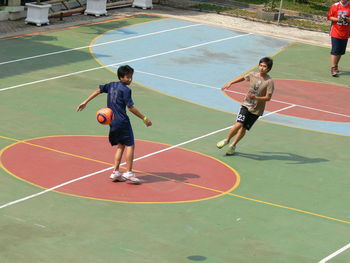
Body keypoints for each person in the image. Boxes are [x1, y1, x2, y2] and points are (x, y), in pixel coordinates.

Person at [76, 65, 152, 184]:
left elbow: (98, 90)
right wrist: (144, 118)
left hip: (112, 122)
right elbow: (130, 107)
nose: (130, 79)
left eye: (131, 77)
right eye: (128, 77)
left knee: (121, 145)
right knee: (130, 145)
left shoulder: (111, 85)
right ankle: (129, 173)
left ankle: (116, 172)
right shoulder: (126, 90)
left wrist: (85, 102)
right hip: (122, 121)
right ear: (121, 77)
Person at [216, 57, 274, 155]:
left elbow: (268, 98)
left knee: (243, 129)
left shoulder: (269, 82)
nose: (262, 68)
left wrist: (255, 98)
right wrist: (231, 82)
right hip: (246, 104)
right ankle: (227, 140)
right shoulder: (253, 74)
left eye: (264, 66)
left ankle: (233, 145)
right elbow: (243, 77)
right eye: (260, 65)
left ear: (268, 69)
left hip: (257, 110)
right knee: (239, 123)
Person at [327, 0, 350, 77]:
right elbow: (329, 17)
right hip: (335, 32)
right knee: (335, 50)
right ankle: (333, 67)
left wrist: (347, 19)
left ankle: (336, 65)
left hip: (345, 33)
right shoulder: (335, 6)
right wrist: (339, 19)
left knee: (340, 51)